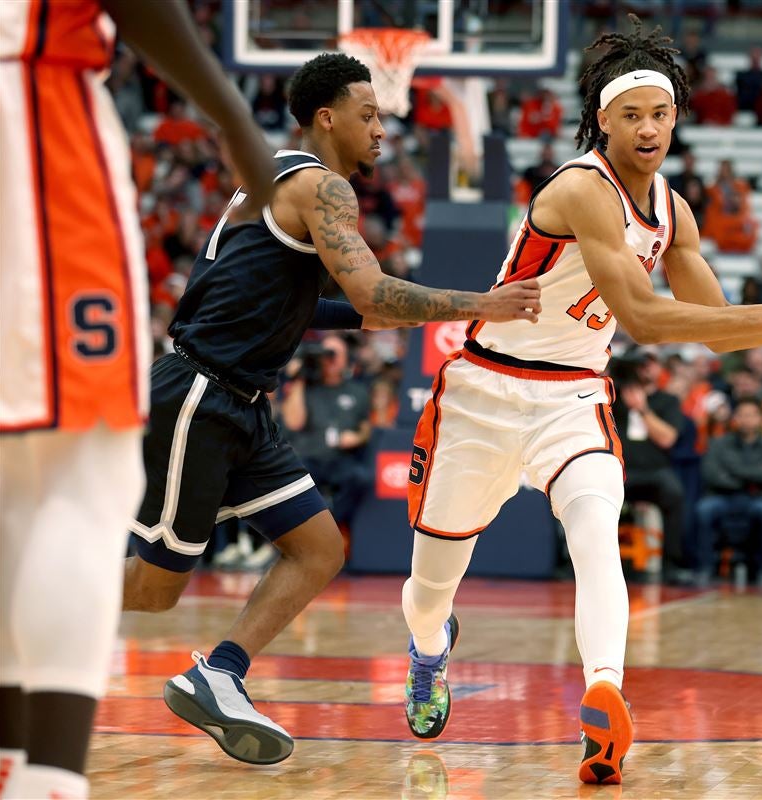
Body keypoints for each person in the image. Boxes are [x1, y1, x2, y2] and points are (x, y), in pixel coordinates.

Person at [395, 16, 762, 787]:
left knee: (596, 531)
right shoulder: (582, 189)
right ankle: (429, 649)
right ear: (602, 120)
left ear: (677, 118)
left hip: (572, 397)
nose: (648, 128)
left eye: (661, 113)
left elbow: (712, 332)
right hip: (483, 389)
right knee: (428, 587)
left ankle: (604, 694)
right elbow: (644, 319)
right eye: (632, 115)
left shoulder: (675, 211)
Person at [120, 53, 541, 766]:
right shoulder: (323, 186)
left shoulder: (277, 178)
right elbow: (376, 293)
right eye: (369, 114)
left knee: (318, 549)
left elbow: (295, 300)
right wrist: (480, 303)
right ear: (327, 117)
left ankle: (218, 673)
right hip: (201, 393)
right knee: (155, 592)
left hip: (241, 402)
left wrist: (361, 319)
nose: (382, 128)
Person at [0, 2, 277, 797]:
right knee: (76, 477)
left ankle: (15, 765)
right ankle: (48, 780)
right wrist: (232, 117)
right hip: (27, 112)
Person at [610, 349, 689, 577]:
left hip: (655, 472)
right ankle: (576, 562)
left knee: (675, 494)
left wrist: (642, 409)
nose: (645, 367)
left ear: (659, 369)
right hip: (620, 471)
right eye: (640, 363)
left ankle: (672, 565)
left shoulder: (668, 401)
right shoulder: (613, 396)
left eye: (651, 363)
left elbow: (667, 439)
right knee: (592, 492)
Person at [281, 335, 372, 527]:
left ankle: (331, 523)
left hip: (339, 458)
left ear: (346, 358)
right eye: (326, 354)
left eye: (335, 354)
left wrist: (357, 437)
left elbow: (366, 428)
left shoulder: (357, 391)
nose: (330, 359)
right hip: (307, 457)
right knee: (293, 479)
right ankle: (308, 527)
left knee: (361, 478)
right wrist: (300, 378)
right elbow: (293, 423)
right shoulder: (306, 387)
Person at [693, 398, 762, 589]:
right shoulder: (718, 444)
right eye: (742, 415)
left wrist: (733, 471)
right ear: (735, 418)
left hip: (757, 498)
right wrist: (748, 477)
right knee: (704, 510)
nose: (746, 420)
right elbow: (711, 474)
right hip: (723, 497)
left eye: (751, 415)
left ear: (760, 419)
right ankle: (704, 568)